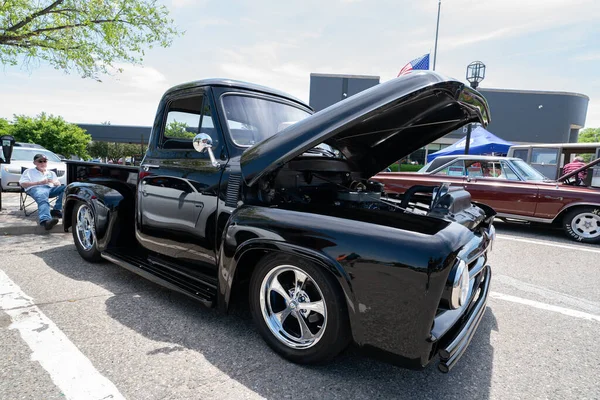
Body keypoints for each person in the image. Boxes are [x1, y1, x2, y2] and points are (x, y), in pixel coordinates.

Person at [19, 153, 66, 230]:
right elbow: (22, 184)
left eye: (45, 161)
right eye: (40, 161)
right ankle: (45, 221)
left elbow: (58, 184)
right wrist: (39, 183)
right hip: (36, 188)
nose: (43, 163)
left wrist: (56, 183)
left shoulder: (51, 173)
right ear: (34, 163)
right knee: (42, 195)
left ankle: (56, 210)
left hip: (50, 188)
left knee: (66, 188)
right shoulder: (29, 171)